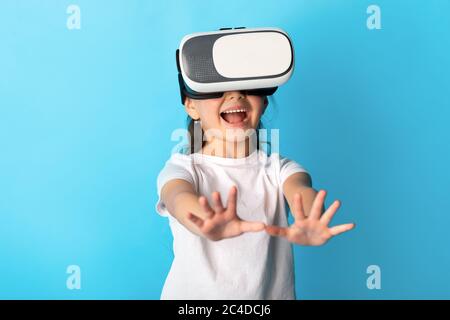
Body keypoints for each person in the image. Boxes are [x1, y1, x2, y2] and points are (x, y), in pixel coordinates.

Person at [155, 89, 356, 299]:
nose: (235, 95)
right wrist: (205, 219)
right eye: (217, 89)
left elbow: (300, 189)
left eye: (248, 87)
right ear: (191, 106)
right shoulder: (183, 169)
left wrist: (310, 216)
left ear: (264, 103)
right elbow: (177, 197)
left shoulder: (280, 169)